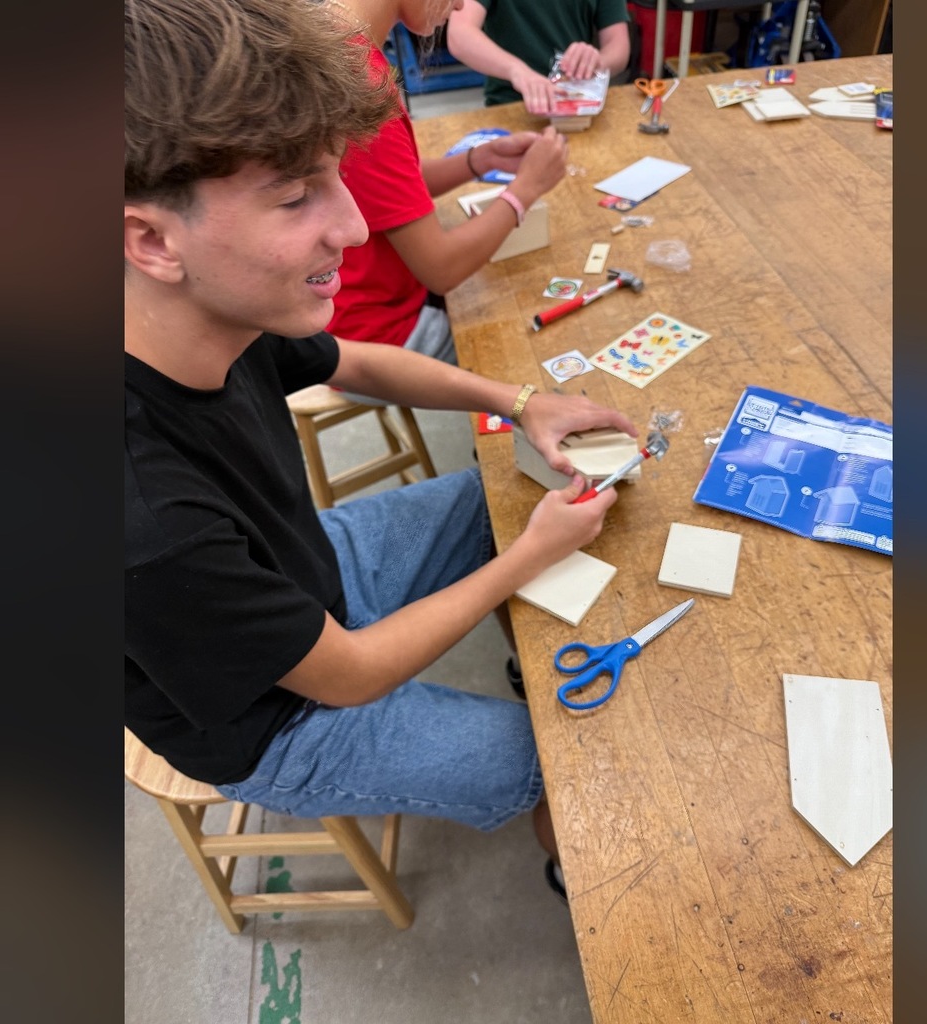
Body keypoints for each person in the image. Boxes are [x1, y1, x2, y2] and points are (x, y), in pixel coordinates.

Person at [125, 0, 638, 903]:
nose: (357, 230)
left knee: (505, 489)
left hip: (308, 572)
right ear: (150, 240)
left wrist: (522, 401)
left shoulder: (211, 312)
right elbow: (347, 676)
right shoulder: (142, 521)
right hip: (277, 721)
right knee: (565, 751)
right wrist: (528, 561)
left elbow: (353, 358)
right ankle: (574, 864)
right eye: (296, 197)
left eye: (336, 179)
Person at [326, 0, 568, 390]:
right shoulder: (358, 85)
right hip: (375, 337)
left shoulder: (345, 50)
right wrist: (525, 191)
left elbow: (389, 186)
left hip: (354, 309)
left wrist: (479, 159)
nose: (459, 5)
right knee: (540, 352)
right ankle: (493, 447)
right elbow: (441, 270)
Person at [446, 0, 631, 115]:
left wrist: (597, 61)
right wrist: (518, 72)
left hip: (576, 107)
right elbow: (460, 33)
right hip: (513, 107)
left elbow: (618, 45)